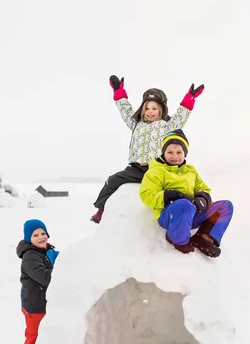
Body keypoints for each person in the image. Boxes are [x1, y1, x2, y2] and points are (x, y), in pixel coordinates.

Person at [90, 76, 205, 223]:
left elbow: (180, 118)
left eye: (154, 108)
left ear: (161, 109)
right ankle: (101, 210)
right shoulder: (136, 124)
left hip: (156, 169)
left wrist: (190, 98)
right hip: (135, 169)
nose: (150, 112)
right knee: (112, 181)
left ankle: (178, 212)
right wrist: (119, 92)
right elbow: (125, 111)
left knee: (166, 189)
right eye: (147, 108)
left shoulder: (166, 125)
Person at [139, 130, 234, 258]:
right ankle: (178, 239)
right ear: (164, 153)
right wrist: (169, 196)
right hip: (170, 215)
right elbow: (147, 195)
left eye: (179, 152)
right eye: (170, 152)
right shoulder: (156, 171)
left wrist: (202, 198)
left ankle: (204, 237)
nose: (174, 156)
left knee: (225, 206)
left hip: (192, 213)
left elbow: (203, 187)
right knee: (184, 205)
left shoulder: (190, 170)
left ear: (185, 153)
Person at [16, 219, 59, 344]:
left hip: (44, 303)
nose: (41, 237)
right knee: (33, 340)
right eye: (35, 235)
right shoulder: (30, 257)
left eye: (43, 233)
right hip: (34, 306)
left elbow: (67, 260)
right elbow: (45, 278)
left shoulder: (48, 251)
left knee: (45, 340)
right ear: (29, 239)